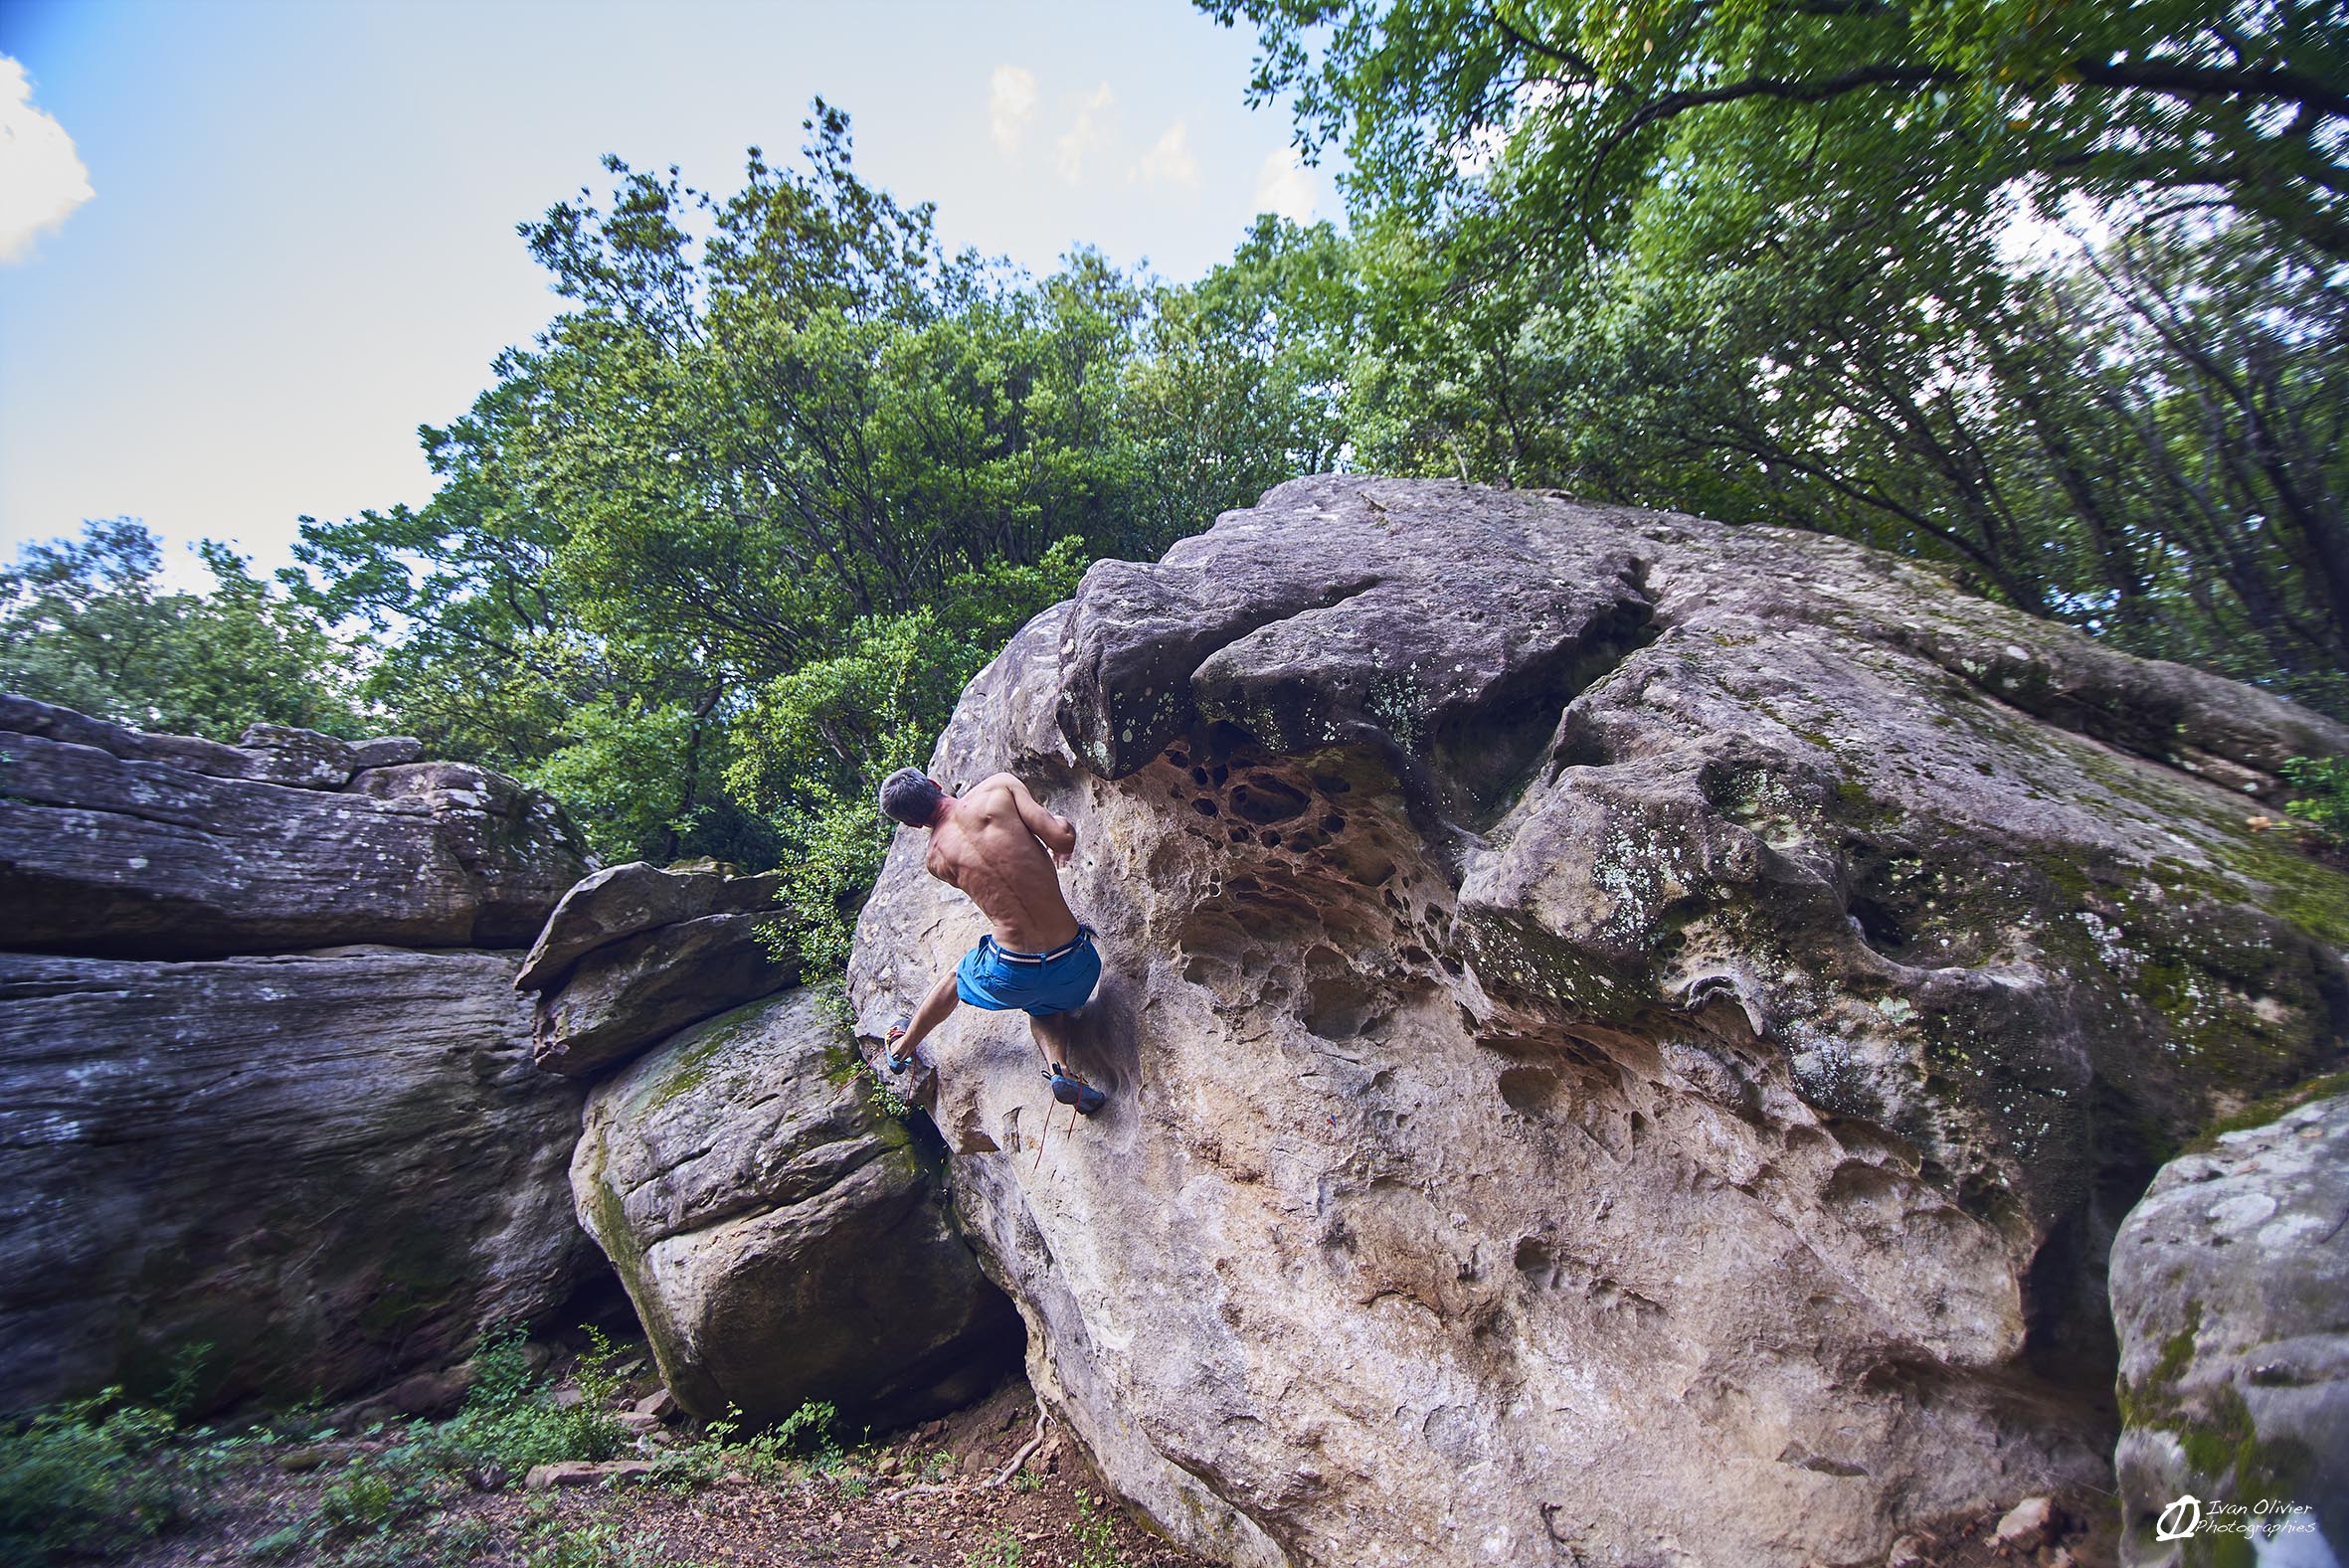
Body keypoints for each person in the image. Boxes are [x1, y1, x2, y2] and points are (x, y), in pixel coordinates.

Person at [875, 767, 1110, 1115]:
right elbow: (1062, 838)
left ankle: (902, 1048)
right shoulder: (1000, 787)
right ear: (936, 784)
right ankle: (1059, 1071)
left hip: (1013, 975)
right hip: (1079, 966)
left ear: (911, 824)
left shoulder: (935, 859)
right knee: (1046, 1003)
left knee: (963, 977)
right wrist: (1061, 829)